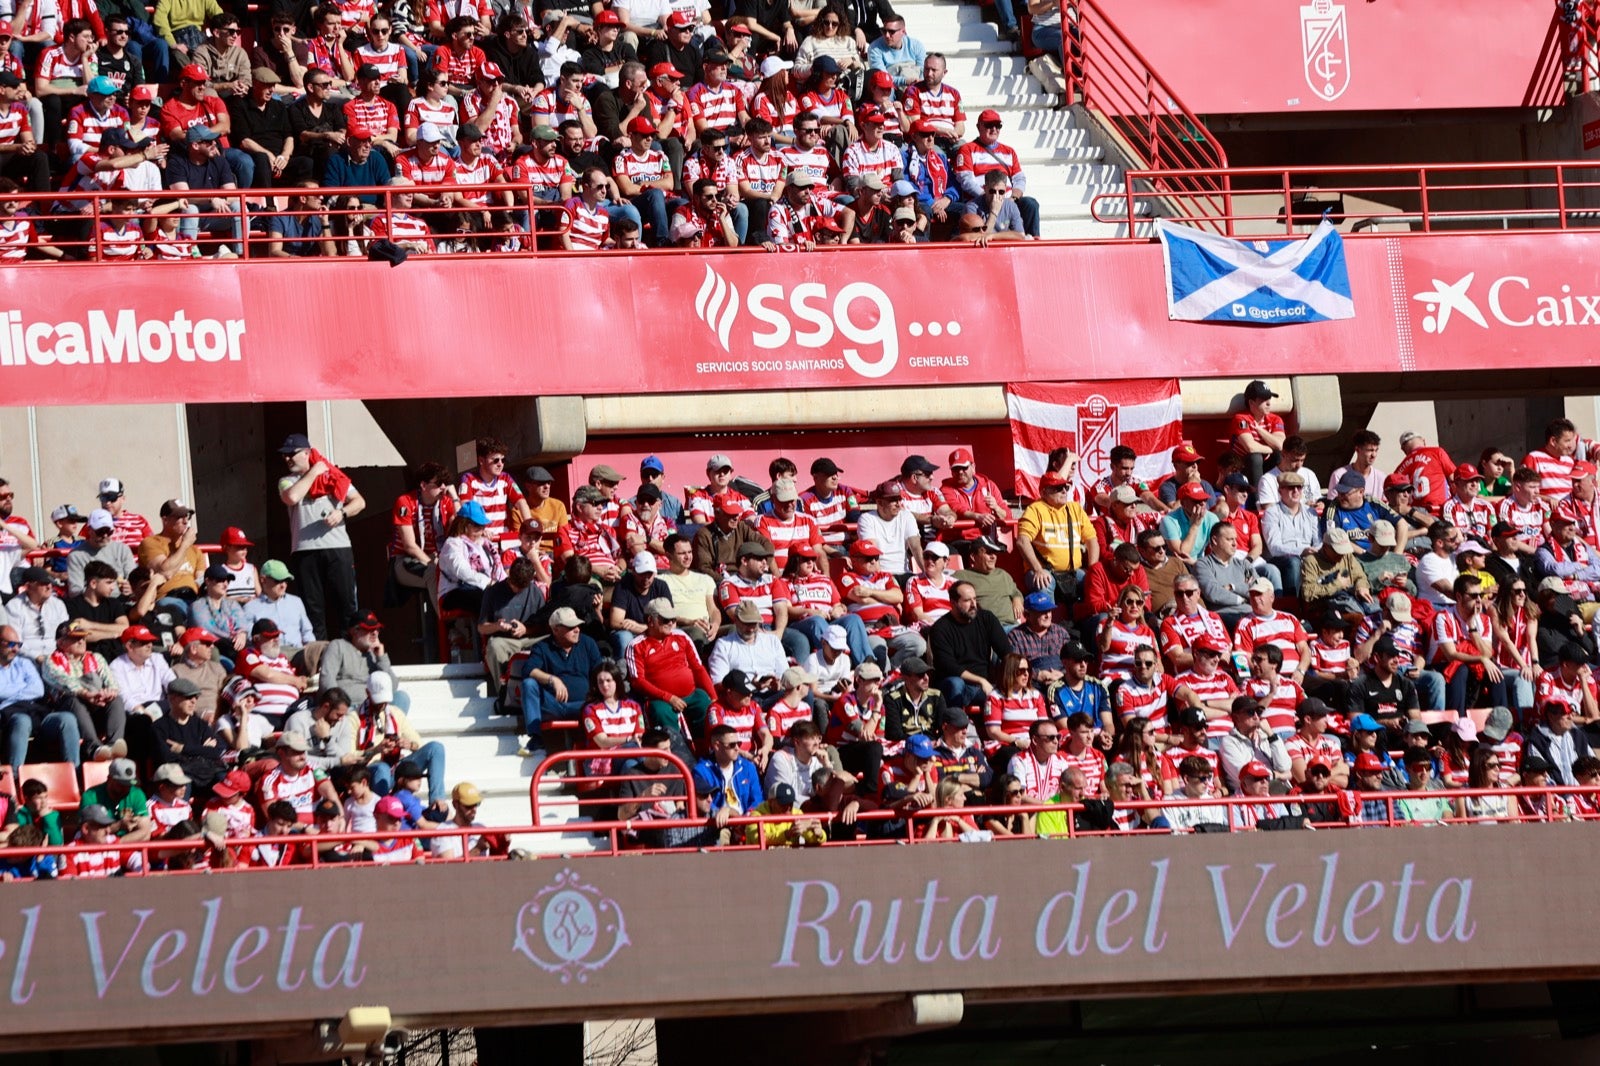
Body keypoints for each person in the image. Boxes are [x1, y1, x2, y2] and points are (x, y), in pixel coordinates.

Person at [276, 433, 364, 639]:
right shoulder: (287, 481)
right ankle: (317, 656)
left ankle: (349, 653)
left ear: (307, 452)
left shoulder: (333, 476)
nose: (287, 459)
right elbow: (292, 497)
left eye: (292, 454)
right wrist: (314, 472)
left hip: (338, 548)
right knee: (312, 608)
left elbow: (359, 502)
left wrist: (341, 513)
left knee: (346, 604)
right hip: (305, 550)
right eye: (285, 455)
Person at [518, 606, 604, 760]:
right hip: (554, 705)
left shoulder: (588, 643)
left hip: (583, 705)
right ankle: (536, 738)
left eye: (577, 625)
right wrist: (553, 679)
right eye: (571, 627)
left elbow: (601, 673)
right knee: (529, 684)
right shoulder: (543, 646)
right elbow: (528, 670)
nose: (576, 630)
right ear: (555, 630)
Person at [1017, 472, 1098, 607]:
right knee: (1045, 582)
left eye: (1065, 487)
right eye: (1057, 488)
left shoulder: (1075, 508)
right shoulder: (1035, 509)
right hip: (1043, 571)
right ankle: (1049, 624)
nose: (1063, 491)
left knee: (1095, 581)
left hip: (1073, 571)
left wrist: (1092, 570)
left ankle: (1090, 621)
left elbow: (1092, 541)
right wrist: (1037, 569)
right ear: (1043, 493)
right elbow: (1022, 541)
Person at [928, 581, 1009, 709]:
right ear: (953, 603)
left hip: (984, 686)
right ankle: (955, 724)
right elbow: (948, 666)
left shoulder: (986, 619)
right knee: (955, 683)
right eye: (967, 601)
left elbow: (1006, 651)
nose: (973, 605)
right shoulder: (940, 628)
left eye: (974, 599)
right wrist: (981, 680)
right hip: (956, 685)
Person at [692, 723, 764, 843]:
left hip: (747, 821)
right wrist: (727, 813)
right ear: (717, 746)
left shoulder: (748, 767)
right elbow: (704, 803)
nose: (737, 748)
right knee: (721, 836)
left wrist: (745, 819)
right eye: (732, 745)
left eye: (738, 743)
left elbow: (757, 798)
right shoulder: (701, 771)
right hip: (719, 823)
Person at [955, 535, 1023, 627]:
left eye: (994, 553)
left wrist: (1017, 599)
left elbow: (1016, 592)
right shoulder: (962, 576)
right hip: (987, 629)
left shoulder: (1003, 574)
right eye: (988, 553)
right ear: (973, 557)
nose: (993, 557)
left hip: (1012, 627)